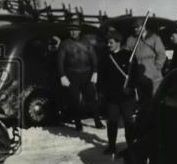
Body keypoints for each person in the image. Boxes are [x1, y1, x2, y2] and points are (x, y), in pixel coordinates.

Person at [98, 29, 138, 157]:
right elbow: (102, 76)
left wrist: (130, 87)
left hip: (126, 96)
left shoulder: (129, 56)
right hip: (112, 97)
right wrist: (101, 91)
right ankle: (112, 146)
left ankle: (131, 146)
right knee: (112, 121)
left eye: (110, 42)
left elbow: (135, 75)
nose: (108, 45)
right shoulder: (105, 57)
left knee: (128, 122)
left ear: (118, 42)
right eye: (107, 42)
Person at [57, 21, 102, 131]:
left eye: (75, 30)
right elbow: (60, 61)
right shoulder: (65, 44)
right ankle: (78, 123)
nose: (73, 32)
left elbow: (94, 58)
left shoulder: (87, 43)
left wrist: (95, 72)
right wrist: (62, 75)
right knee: (74, 100)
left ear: (79, 31)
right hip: (72, 75)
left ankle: (97, 122)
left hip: (87, 74)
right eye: (71, 30)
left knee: (92, 99)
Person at [126, 21, 167, 102]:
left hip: (153, 75)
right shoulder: (131, 39)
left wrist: (157, 67)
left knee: (155, 98)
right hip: (139, 74)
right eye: (134, 27)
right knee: (143, 99)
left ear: (143, 26)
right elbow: (126, 53)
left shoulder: (154, 38)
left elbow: (161, 54)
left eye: (138, 27)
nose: (135, 29)